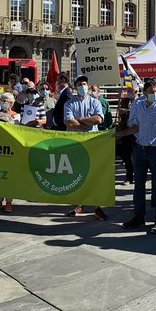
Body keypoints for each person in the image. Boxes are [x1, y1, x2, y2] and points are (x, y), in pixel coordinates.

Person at [118, 79, 156, 233]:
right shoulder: (137, 105)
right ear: (144, 93)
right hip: (140, 149)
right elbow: (135, 127)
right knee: (138, 185)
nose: (154, 94)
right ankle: (139, 217)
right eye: (151, 92)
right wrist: (121, 134)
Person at [63, 76, 107, 219]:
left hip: (92, 142)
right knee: (78, 175)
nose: (82, 86)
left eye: (84, 84)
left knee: (93, 175)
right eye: (80, 84)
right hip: (75, 143)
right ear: (75, 87)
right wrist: (88, 121)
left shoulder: (95, 102)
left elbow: (98, 119)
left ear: (88, 86)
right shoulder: (69, 103)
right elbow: (70, 123)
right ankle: (79, 204)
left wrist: (80, 120)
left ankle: (96, 206)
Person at [0, 93, 20, 213]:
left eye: (6, 101)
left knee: (9, 176)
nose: (4, 102)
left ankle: (9, 201)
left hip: (11, 149)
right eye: (2, 100)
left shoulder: (16, 116)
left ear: (11, 103)